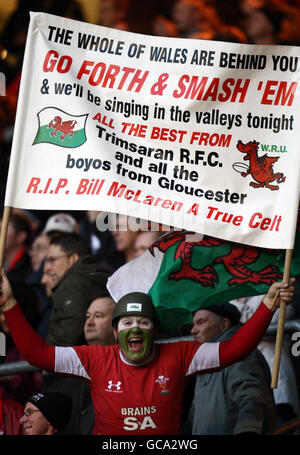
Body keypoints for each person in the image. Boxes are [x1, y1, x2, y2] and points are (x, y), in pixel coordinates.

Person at [0, 272, 295, 435]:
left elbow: (235, 349)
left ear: (154, 331)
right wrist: (9, 303)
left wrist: (267, 306)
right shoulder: (94, 360)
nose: (135, 329)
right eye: (127, 323)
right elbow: (37, 354)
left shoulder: (179, 354)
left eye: (143, 322)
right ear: (115, 334)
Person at [187, 303, 277, 434]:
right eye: (193, 324)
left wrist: (247, 431)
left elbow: (252, 399)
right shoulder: (207, 360)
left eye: (200, 323)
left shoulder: (239, 355)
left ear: (224, 324)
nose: (193, 330)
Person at [231, 294, 300, 423]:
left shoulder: (277, 294)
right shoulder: (230, 299)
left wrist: (234, 312)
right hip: (246, 374)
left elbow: (266, 328)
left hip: (276, 372)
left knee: (282, 422)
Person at [44, 233, 111, 346]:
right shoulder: (97, 275)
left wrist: (48, 355)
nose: (47, 267)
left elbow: (70, 333)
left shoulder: (72, 283)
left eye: (53, 260)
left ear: (73, 258)